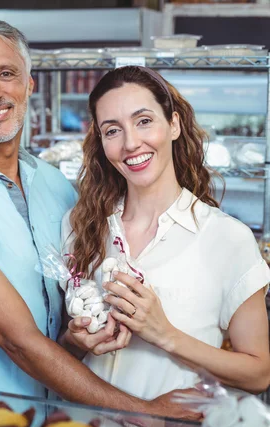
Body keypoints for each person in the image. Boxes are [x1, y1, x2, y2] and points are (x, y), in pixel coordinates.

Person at [0, 19, 196, 420]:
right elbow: (16, 338)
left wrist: (75, 338)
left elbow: (55, 321)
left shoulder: (53, 184)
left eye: (7, 74)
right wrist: (144, 412)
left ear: (29, 84)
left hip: (52, 420)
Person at [61, 66, 270, 404]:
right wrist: (74, 341)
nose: (131, 143)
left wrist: (164, 334)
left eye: (144, 121)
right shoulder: (78, 224)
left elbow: (258, 374)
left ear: (173, 124)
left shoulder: (228, 238)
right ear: (100, 141)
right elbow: (58, 354)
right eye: (112, 130)